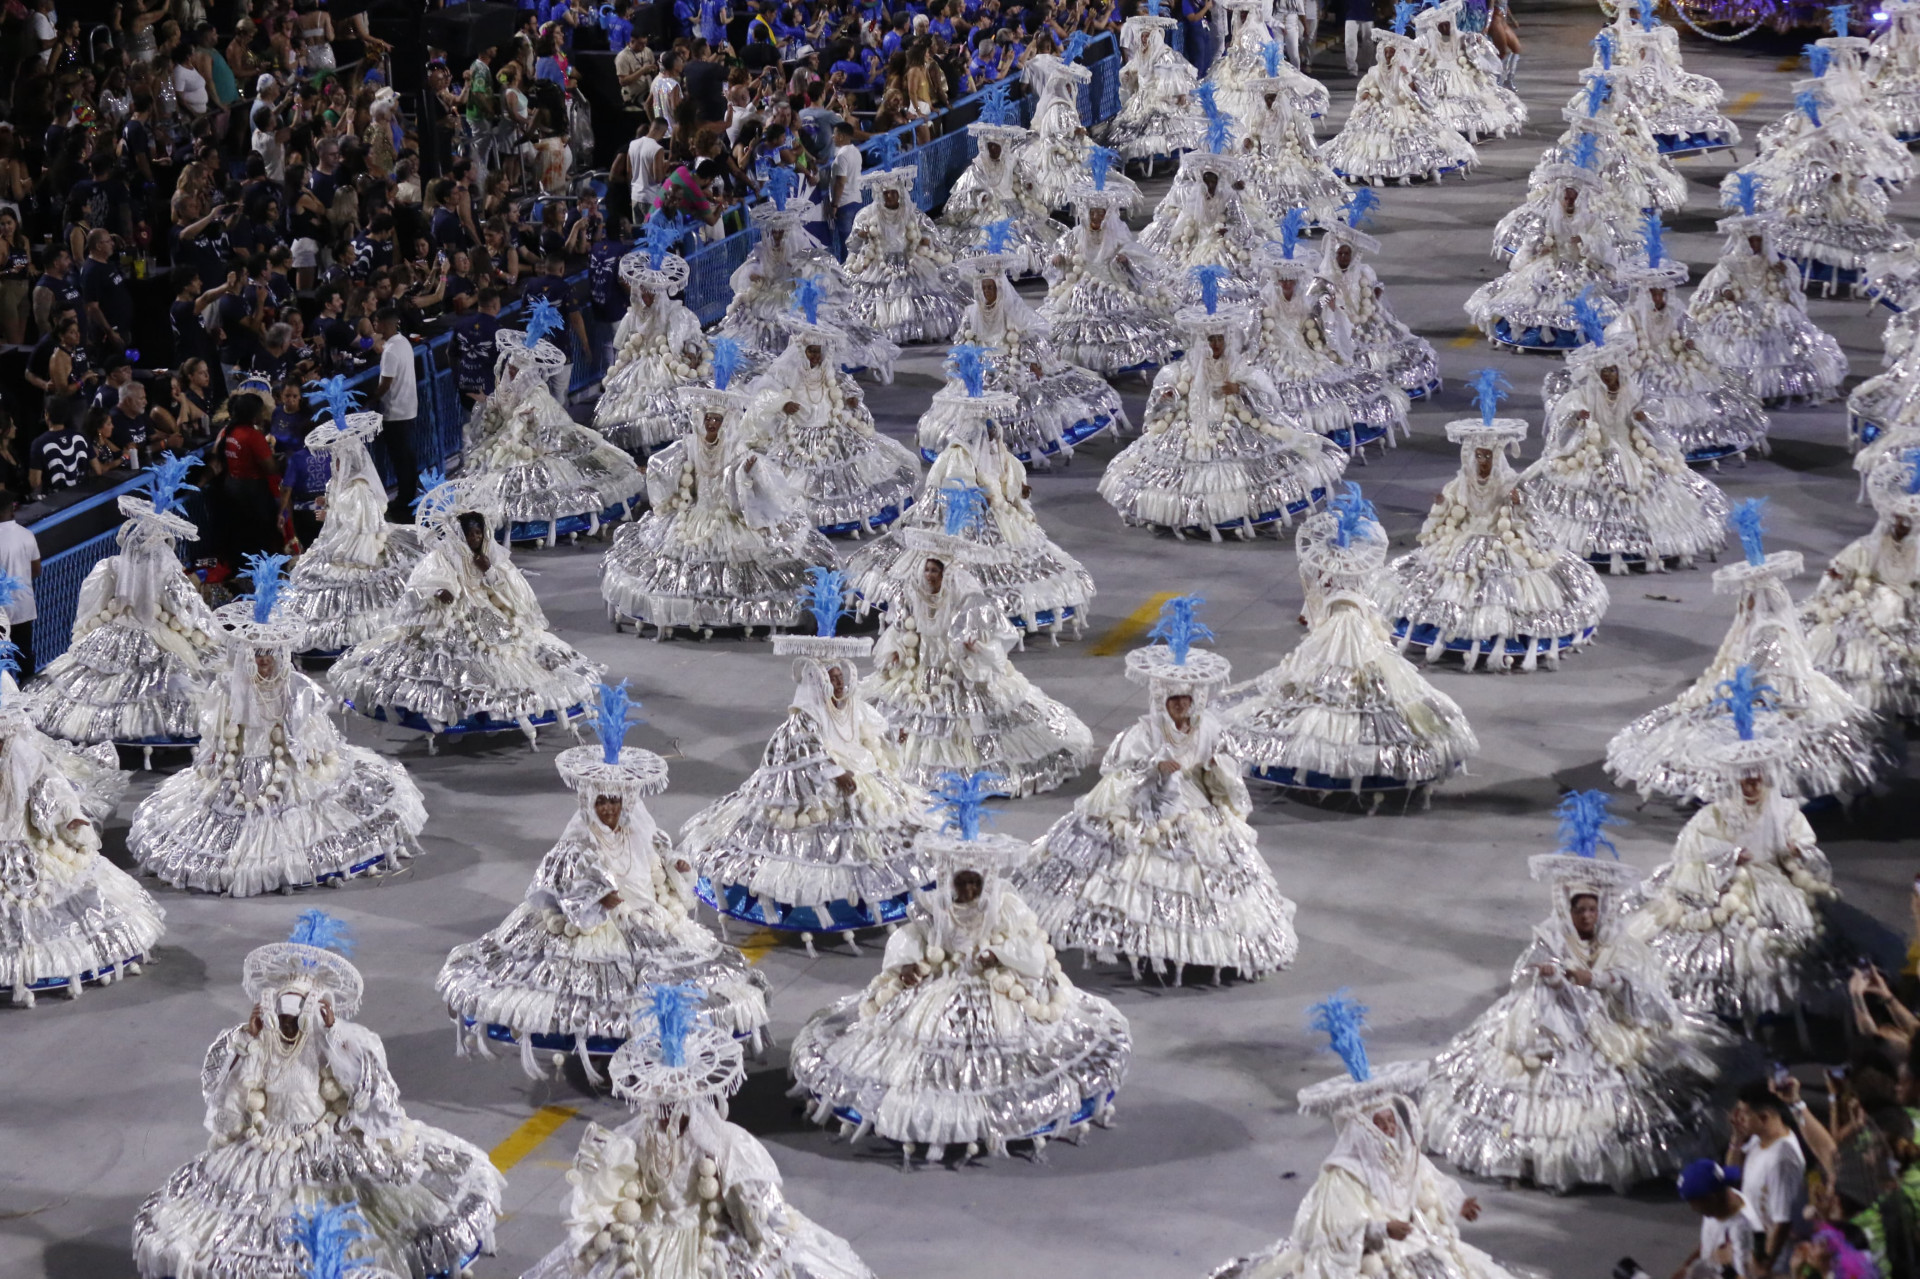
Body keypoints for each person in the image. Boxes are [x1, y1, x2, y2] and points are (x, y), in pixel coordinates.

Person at [132, 911, 505, 1277]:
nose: (289, 1022)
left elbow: (368, 1088)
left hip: (325, 1139)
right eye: (284, 1014)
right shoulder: (258, 1042)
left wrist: (332, 1032)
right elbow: (226, 1096)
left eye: (297, 1013)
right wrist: (246, 1039)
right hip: (266, 1147)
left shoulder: (335, 1042)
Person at [437, 683, 769, 1079]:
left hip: (650, 916)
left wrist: (677, 867)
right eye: (602, 801)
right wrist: (604, 899)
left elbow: (661, 858)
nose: (609, 808)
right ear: (589, 803)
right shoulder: (578, 840)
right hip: (599, 927)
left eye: (615, 801)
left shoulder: (640, 831)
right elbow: (563, 879)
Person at [788, 780, 1131, 1161]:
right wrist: (907, 970)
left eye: (974, 883)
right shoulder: (936, 906)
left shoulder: (1006, 907)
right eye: (961, 882)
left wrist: (998, 954)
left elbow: (1031, 952)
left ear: (985, 882)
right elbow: (914, 938)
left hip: (998, 991)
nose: (967, 890)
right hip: (942, 982)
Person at [1421, 792, 1723, 1193]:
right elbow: (1524, 976)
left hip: (1609, 1023)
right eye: (1579, 910)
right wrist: (1549, 975)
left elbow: (1635, 982)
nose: (1586, 917)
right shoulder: (1550, 936)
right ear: (1567, 909)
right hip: (1557, 1023)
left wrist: (1597, 981)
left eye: (1592, 910)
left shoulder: (1617, 942)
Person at [1019, 598, 1298, 983]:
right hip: (1145, 801)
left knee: (1196, 873)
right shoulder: (1145, 732)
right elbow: (1118, 769)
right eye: (1174, 700)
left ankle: (1194, 944)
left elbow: (1224, 766)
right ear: (1163, 701)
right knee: (1131, 872)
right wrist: (1153, 768)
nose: (1181, 706)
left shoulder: (1208, 729)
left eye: (1186, 699)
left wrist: (1216, 767)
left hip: (1193, 803)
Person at [519, 987, 875, 1279]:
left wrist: (761, 1229)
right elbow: (612, 1190)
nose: (663, 1113)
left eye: (670, 1106)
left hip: (710, 1241)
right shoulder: (634, 1140)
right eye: (658, 1105)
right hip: (645, 1239)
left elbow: (756, 1202)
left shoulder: (723, 1143)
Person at [128, 555, 427, 896]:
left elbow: (312, 734)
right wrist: (214, 757)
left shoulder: (297, 689)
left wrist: (308, 755)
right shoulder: (228, 689)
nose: (263, 659)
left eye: (269, 652)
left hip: (289, 768)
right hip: (237, 769)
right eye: (256, 653)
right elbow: (217, 731)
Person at [1206, 996, 1523, 1279]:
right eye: (1380, 1123)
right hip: (1371, 1254)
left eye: (1390, 1120)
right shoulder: (1345, 1174)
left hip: (1410, 1239)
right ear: (1363, 1131)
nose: (1388, 1128)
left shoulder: (1406, 1158)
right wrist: (1381, 1229)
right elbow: (1334, 1229)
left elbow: (1429, 1185)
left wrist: (1458, 1204)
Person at [682, 614, 937, 943]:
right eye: (831, 678)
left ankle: (885, 892)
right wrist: (835, 772)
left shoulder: (852, 707)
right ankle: (818, 905)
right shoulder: (804, 719)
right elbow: (802, 754)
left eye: (840, 676)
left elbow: (871, 734)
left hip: (865, 774)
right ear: (818, 683)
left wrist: (893, 741)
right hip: (821, 789)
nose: (839, 684)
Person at [1605, 501, 1880, 804]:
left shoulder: (1768, 632)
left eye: (1749, 599)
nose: (1744, 605)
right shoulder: (1757, 628)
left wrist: (1739, 686)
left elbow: (1761, 667)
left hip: (1774, 695)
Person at [1227, 487, 1480, 799]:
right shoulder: (1350, 576)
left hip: (1347, 633)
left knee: (1342, 689)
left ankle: (1342, 762)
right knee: (1357, 689)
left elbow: (1319, 608)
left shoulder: (1325, 575)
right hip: (1351, 631)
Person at [329, 472, 603, 747]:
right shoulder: (443, 556)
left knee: (509, 652)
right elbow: (426, 582)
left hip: (487, 611)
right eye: (469, 534)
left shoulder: (489, 555)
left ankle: (502, 707)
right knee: (450, 656)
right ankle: (455, 709)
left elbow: (509, 587)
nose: (474, 538)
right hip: (455, 613)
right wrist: (441, 592)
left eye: (478, 533)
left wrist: (490, 572)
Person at [1374, 373, 1610, 670]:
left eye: (1487, 456)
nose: (1482, 463)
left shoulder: (1512, 484)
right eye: (1478, 457)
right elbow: (1449, 517)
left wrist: (1517, 507)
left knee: (1506, 583)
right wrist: (1443, 506)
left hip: (1504, 543)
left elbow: (1534, 521)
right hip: (1462, 542)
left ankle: (1503, 633)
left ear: (1496, 457)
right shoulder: (1460, 484)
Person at [851, 349, 1093, 638]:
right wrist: (982, 496)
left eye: (992, 429)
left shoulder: (994, 442)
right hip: (967, 515)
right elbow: (957, 486)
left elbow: (1006, 468)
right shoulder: (957, 456)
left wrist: (1014, 489)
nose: (991, 434)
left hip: (997, 515)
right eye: (986, 430)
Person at [602, 367, 834, 638]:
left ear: (725, 422)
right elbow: (661, 464)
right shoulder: (689, 445)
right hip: (693, 516)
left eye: (717, 420)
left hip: (727, 515)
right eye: (709, 419)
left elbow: (748, 473)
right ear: (702, 419)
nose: (712, 424)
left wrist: (746, 472)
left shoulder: (735, 447)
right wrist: (663, 472)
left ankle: (737, 615)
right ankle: (682, 614)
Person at [1099, 295, 1347, 537]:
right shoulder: (1181, 372)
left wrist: (1240, 390)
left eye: (1219, 340)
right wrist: (1169, 398)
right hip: (1190, 428)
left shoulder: (1241, 369)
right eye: (1209, 341)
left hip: (1235, 428)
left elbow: (1271, 403)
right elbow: (1160, 404)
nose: (1214, 346)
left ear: (1227, 340)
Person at [29, 457, 221, 752]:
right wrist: (209, 634)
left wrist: (88, 629)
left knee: (104, 684)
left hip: (114, 628)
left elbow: (91, 605)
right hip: (159, 631)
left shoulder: (110, 566)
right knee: (165, 682)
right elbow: (184, 608)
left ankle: (116, 735)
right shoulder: (165, 571)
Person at [1514, 338, 1730, 575]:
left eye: (1612, 371)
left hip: (1632, 451)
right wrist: (1577, 420)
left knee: (1645, 485)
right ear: (1597, 375)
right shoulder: (1583, 396)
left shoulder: (1632, 392)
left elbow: (1652, 421)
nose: (1609, 377)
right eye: (1604, 372)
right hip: (1592, 453)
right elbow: (1564, 427)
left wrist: (1644, 419)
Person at [271, 384, 427, 656]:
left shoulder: (359, 489)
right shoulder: (340, 484)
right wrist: (326, 506)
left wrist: (331, 515)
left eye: (339, 459)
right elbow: (334, 507)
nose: (335, 464)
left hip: (356, 550)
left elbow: (363, 527)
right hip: (334, 541)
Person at [739, 319, 920, 536]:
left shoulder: (828, 371)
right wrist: (782, 404)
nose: (815, 356)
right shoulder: (788, 372)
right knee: (798, 479)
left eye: (819, 352)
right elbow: (765, 394)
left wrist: (851, 398)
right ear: (802, 351)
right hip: (798, 435)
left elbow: (843, 384)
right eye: (811, 352)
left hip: (833, 429)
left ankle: (851, 516)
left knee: (853, 473)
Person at [1037, 184, 1180, 375]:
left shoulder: (1116, 235)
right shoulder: (1076, 235)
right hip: (1080, 288)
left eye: (1100, 214)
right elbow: (1067, 259)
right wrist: (1060, 261)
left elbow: (1133, 256)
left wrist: (1124, 260)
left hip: (1112, 286)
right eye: (1092, 213)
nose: (1096, 218)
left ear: (1107, 215)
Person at [842, 161, 965, 346]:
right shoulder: (866, 215)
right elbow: (852, 245)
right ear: (879, 195)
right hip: (878, 264)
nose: (890, 197)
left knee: (922, 297)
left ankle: (916, 331)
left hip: (912, 262)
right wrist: (861, 235)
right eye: (886, 193)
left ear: (901, 193)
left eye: (894, 193)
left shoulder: (912, 213)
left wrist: (926, 239)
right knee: (881, 300)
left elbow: (931, 233)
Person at [1675, 1159, 1763, 1279]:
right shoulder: (1720, 1205)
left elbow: (1747, 1275)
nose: (1693, 1209)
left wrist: (1724, 1262)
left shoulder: (1742, 1230)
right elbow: (1710, 1241)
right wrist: (1687, 1266)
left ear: (1711, 1198)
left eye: (1693, 1203)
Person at [372, 306, 419, 515]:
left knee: (401, 459)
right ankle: (409, 497)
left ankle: (403, 502)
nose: (374, 325)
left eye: (376, 322)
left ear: (385, 324)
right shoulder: (404, 342)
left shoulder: (391, 350)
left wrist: (370, 400)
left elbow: (385, 384)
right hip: (408, 407)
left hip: (395, 411)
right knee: (406, 457)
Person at [0, 494, 41, 676]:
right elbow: (36, 570)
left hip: (2, 613)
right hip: (24, 607)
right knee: (25, 658)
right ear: (12, 510)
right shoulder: (27, 535)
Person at [27, 396, 87, 497]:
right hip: (82, 496)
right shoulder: (80, 436)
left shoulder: (38, 443)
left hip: (55, 502)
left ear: (47, 414)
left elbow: (35, 482)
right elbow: (97, 469)